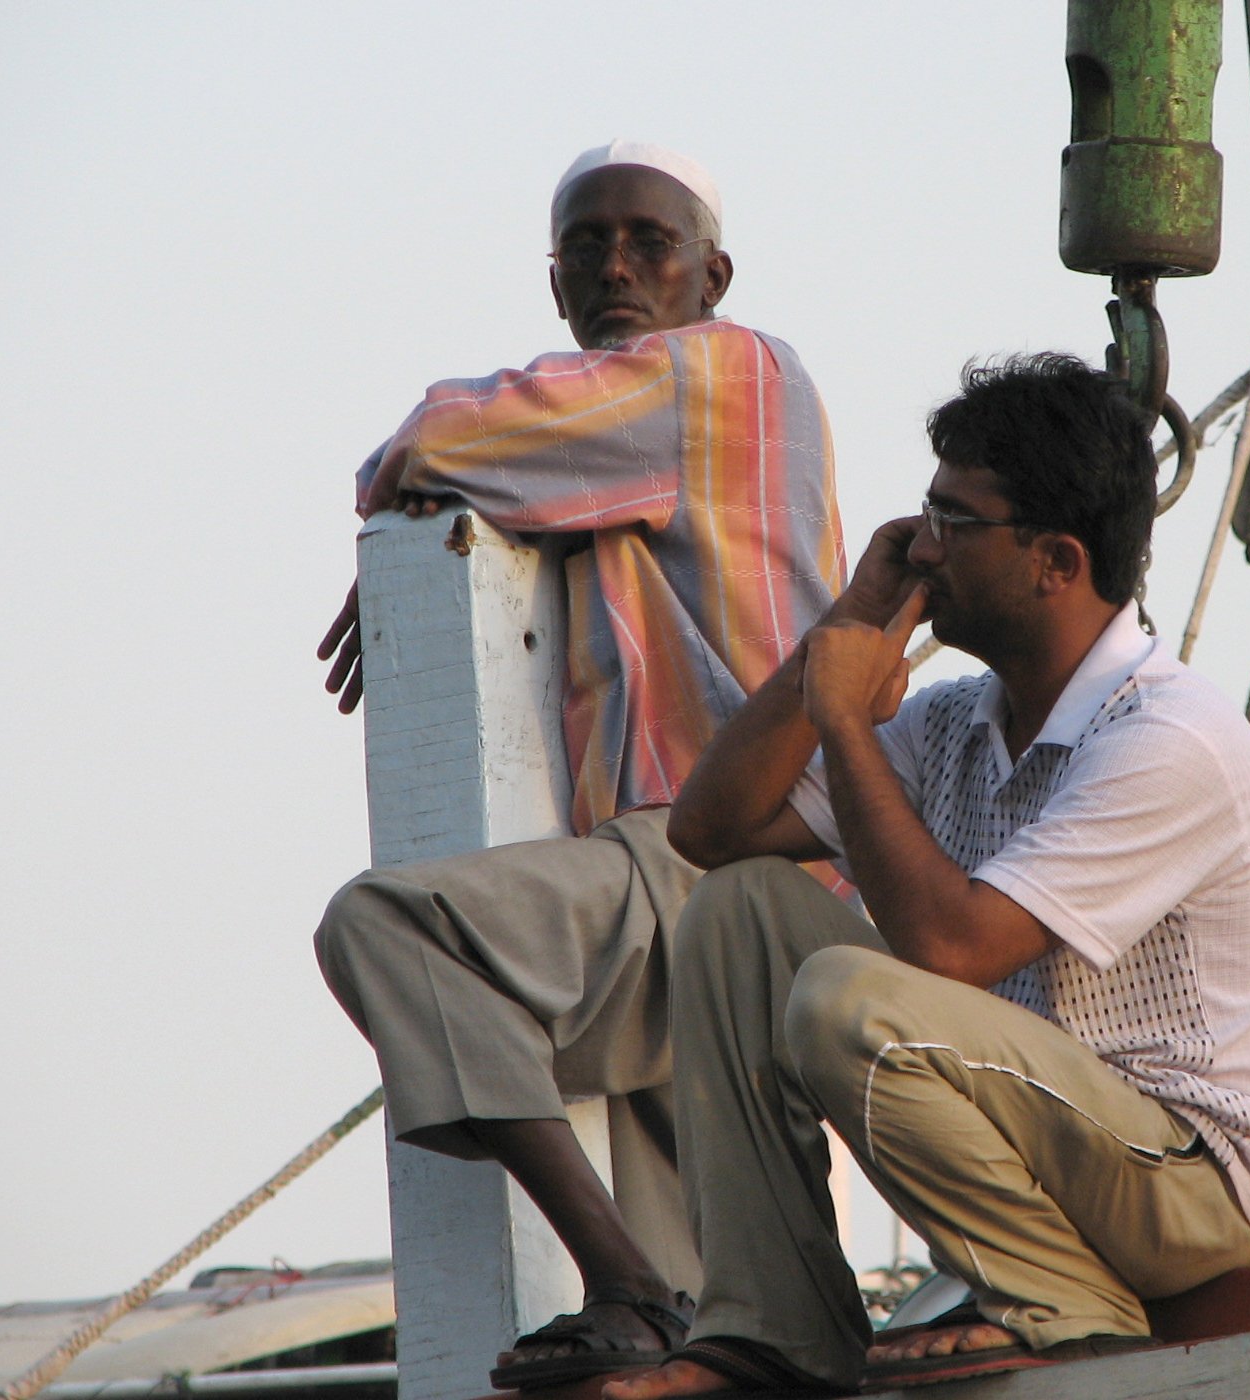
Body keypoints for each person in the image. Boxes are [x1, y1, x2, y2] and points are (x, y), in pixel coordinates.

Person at [611, 353, 1250, 1398]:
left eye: (957, 520)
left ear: (1056, 562)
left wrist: (844, 716)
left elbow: (952, 947)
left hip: (1191, 1188)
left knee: (852, 997)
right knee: (735, 912)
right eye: (925, 511)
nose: (923, 546)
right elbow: (712, 828)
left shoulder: (1169, 738)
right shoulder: (955, 718)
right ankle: (770, 1328)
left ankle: (1068, 1305)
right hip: (1052, 1148)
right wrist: (844, 624)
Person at [312, 142, 845, 1389]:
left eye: (647, 241)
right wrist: (444, 529)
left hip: (712, 858)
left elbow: (441, 436)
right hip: (692, 897)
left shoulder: (724, 369)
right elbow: (488, 472)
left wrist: (422, 497)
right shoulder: (619, 469)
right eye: (585, 246)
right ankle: (660, 1300)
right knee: (728, 1345)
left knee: (394, 928)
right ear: (555, 281)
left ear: (713, 272)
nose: (614, 263)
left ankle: (617, 1274)